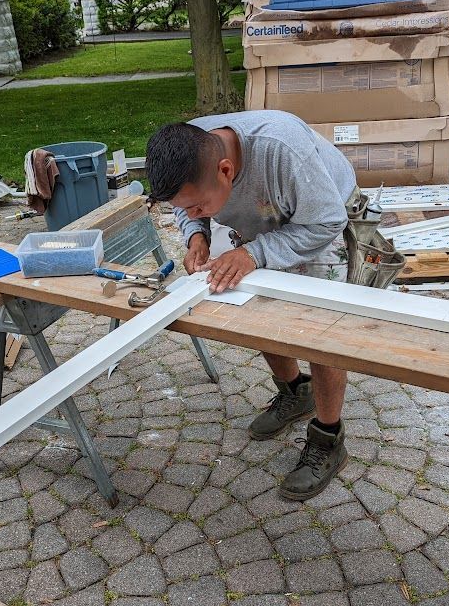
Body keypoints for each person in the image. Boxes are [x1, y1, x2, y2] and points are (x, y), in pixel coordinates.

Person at [145, 109, 365, 501]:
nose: (193, 213)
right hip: (265, 211)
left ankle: (329, 438)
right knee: (257, 311)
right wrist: (196, 234)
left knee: (320, 333)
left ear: (226, 171)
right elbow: (182, 202)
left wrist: (253, 253)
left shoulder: (284, 151)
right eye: (190, 207)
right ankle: (296, 393)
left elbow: (326, 221)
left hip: (321, 216)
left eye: (199, 207)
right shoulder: (190, 152)